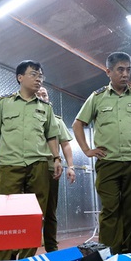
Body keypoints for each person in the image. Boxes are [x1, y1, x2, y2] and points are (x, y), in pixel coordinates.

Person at [73, 52, 131, 254]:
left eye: (128, 69)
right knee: (110, 210)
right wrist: (86, 150)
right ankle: (109, 254)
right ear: (108, 72)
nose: (125, 74)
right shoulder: (97, 97)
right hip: (108, 162)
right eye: (120, 69)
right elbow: (78, 124)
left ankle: (130, 253)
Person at [0, 61, 62, 261]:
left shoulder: (46, 107)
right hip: (11, 165)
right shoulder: (3, 103)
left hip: (39, 165)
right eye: (34, 74)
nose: (39, 79)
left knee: (35, 216)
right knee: (5, 216)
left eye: (41, 75)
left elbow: (52, 135)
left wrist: (57, 158)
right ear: (20, 77)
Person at [36, 87, 76, 252]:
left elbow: (65, 145)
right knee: (32, 210)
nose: (41, 96)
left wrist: (71, 166)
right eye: (38, 94)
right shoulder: (29, 118)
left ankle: (51, 247)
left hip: (52, 168)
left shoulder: (57, 120)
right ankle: (27, 246)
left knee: (50, 210)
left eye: (44, 94)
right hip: (32, 168)